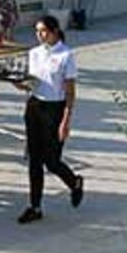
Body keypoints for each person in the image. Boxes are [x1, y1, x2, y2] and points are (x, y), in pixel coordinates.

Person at [15, 15, 84, 224]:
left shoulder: (66, 55)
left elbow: (70, 91)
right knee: (34, 160)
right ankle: (35, 206)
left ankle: (74, 182)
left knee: (52, 161)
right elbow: (33, 82)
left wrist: (66, 120)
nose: (39, 35)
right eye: (37, 31)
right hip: (35, 106)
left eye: (43, 31)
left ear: (54, 31)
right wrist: (20, 84)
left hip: (55, 108)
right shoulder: (34, 53)